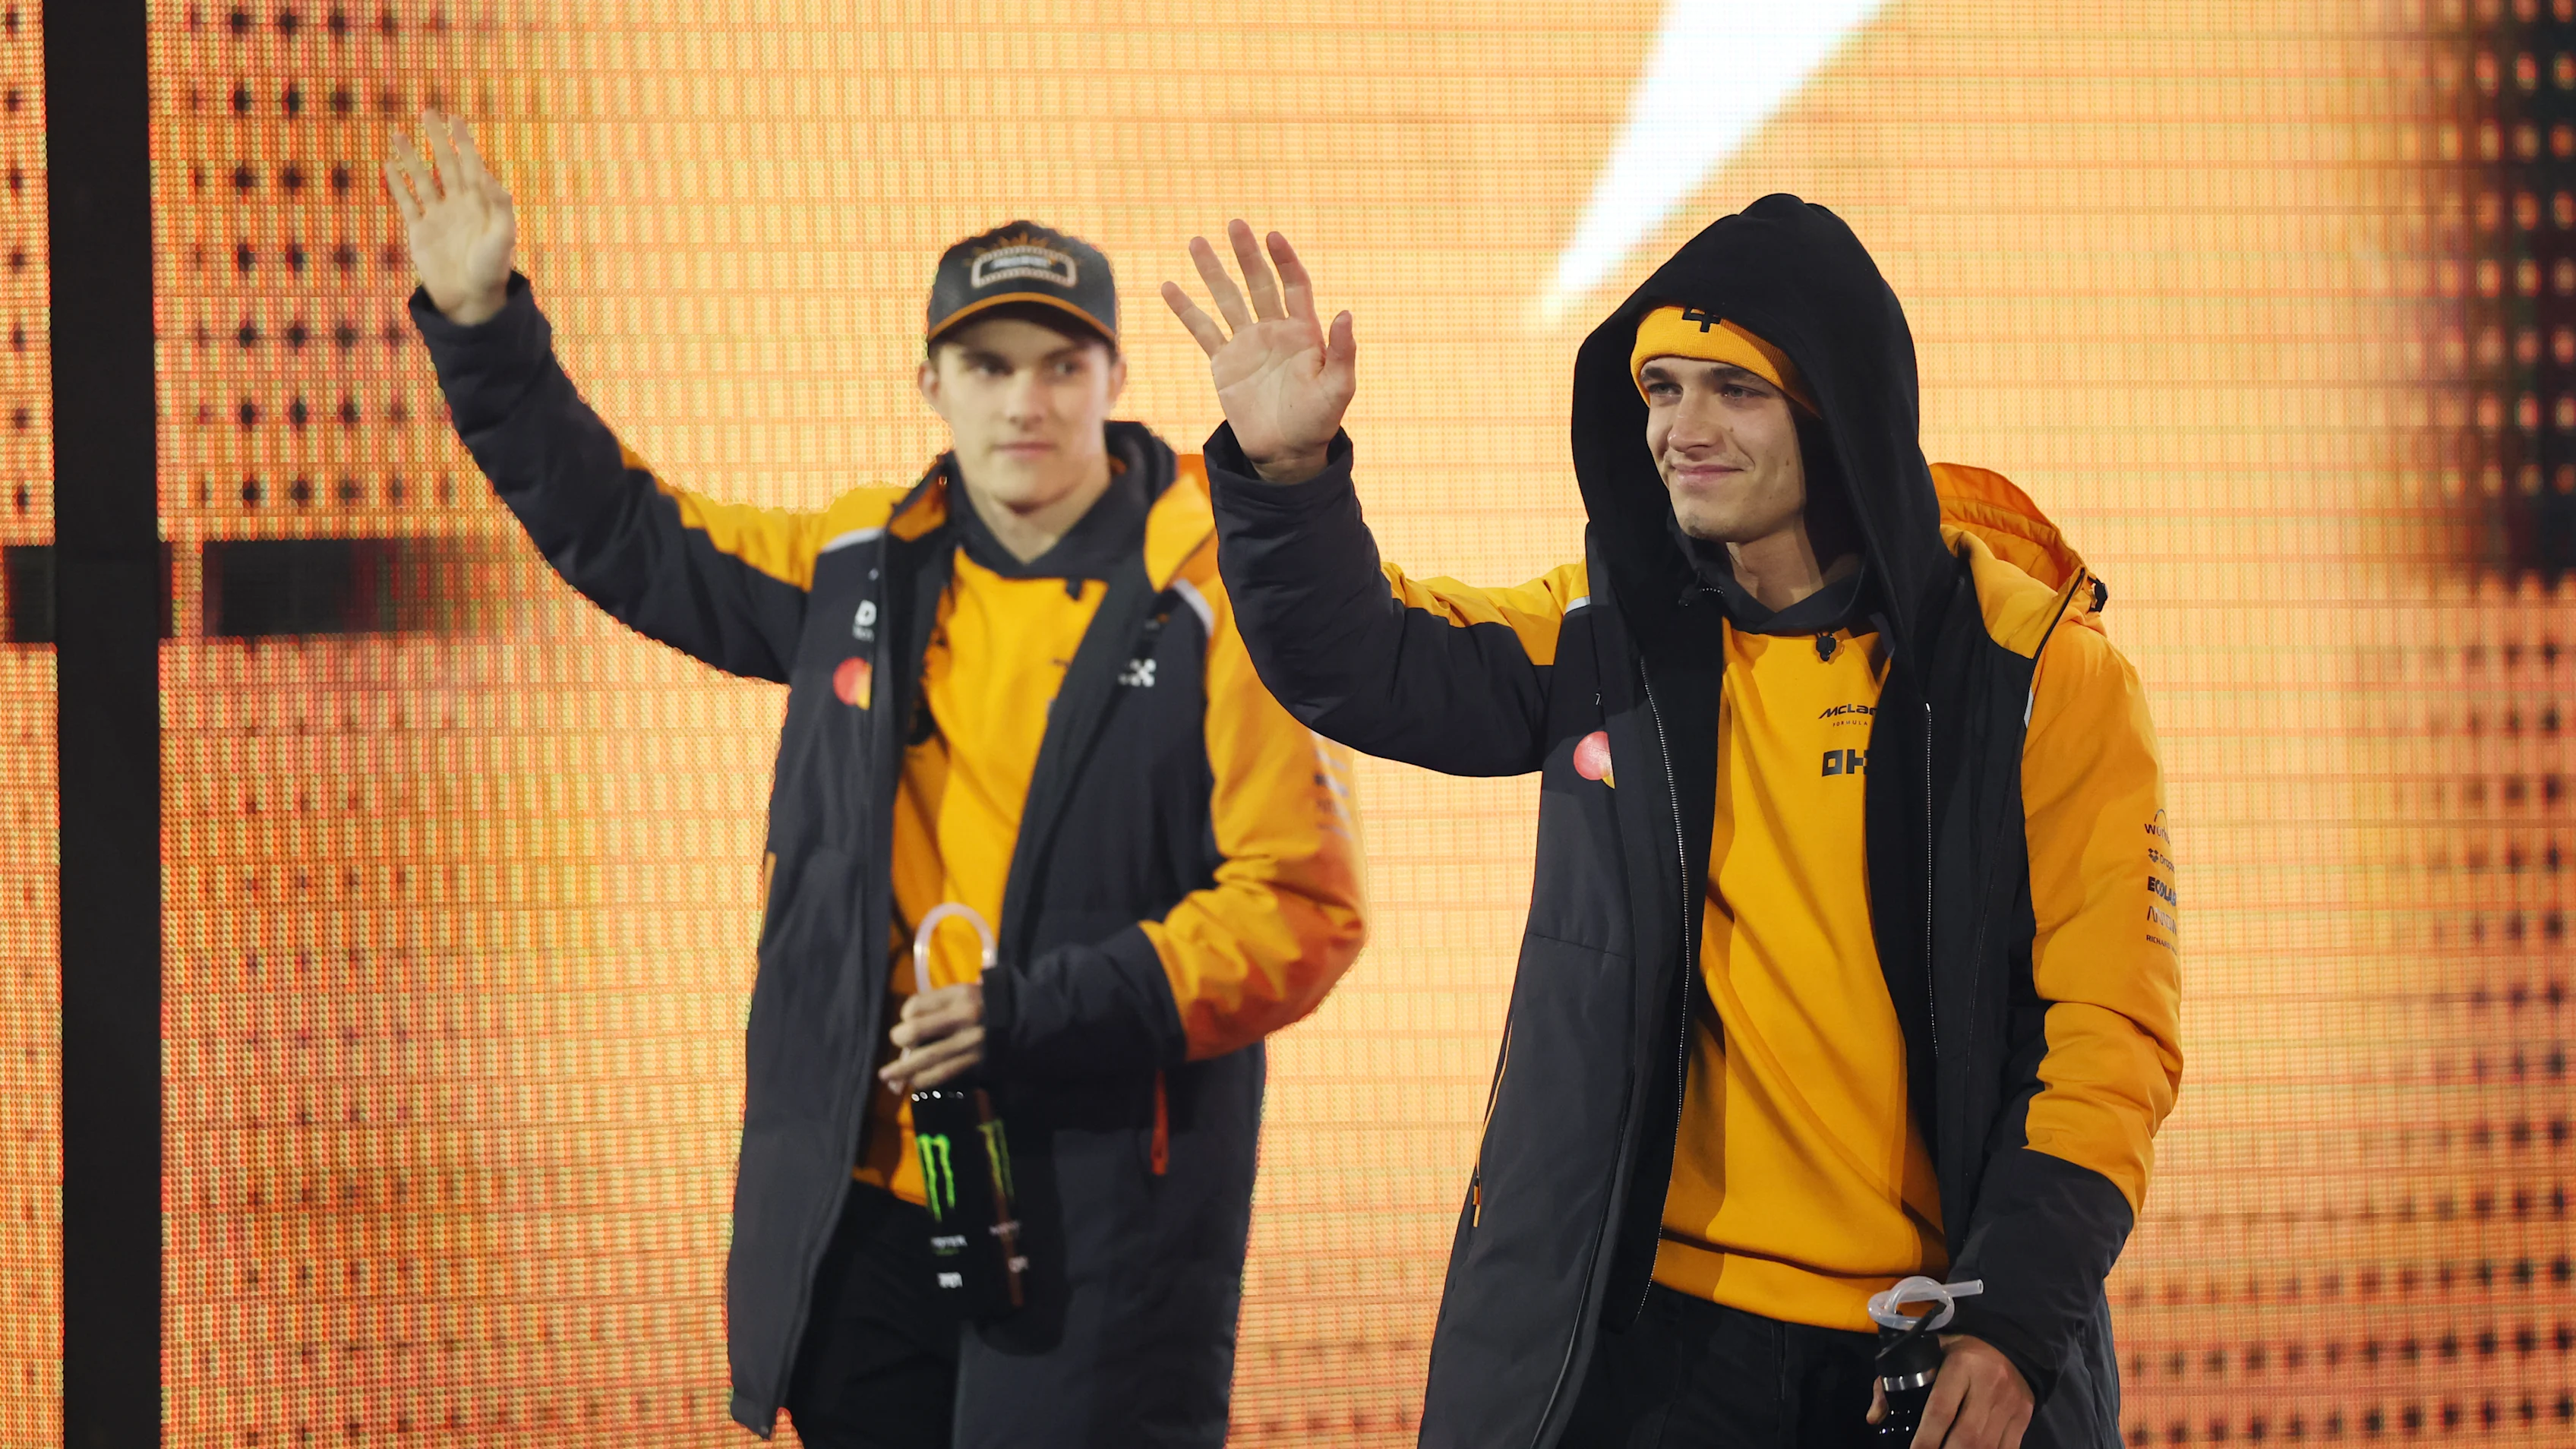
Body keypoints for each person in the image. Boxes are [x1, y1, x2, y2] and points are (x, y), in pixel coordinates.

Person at [385, 113, 1368, 1448]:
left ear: (1114, 375)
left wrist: (1036, 1009)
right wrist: (484, 320)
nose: (1023, 399)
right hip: (862, 1222)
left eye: (1059, 362)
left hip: (1096, 1224)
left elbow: (1305, 912)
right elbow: (623, 532)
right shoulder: (862, 568)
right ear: (930, 383)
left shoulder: (1219, 596)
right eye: (985, 363)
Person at [1163, 196, 2182, 1449]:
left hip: (1921, 1344)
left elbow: (2108, 1039)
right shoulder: (1611, 632)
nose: (1680, 432)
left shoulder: (2040, 674)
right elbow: (1367, 662)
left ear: (1838, 409)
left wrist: (2015, 1320)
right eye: (1659, 388)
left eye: (1734, 394)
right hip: (1651, 1349)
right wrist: (1288, 478)